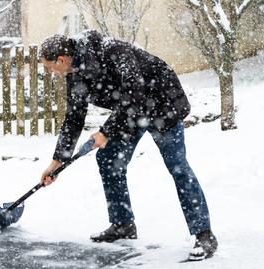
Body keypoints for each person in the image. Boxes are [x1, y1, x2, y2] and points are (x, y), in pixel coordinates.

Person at [38, 29, 218, 261]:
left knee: (178, 166)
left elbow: (135, 93)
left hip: (163, 104)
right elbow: (73, 119)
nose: (51, 72)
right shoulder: (75, 75)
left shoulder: (110, 50)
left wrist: (105, 132)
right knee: (109, 158)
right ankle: (123, 224)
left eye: (49, 66)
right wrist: (57, 162)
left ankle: (204, 235)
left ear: (61, 60)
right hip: (131, 114)